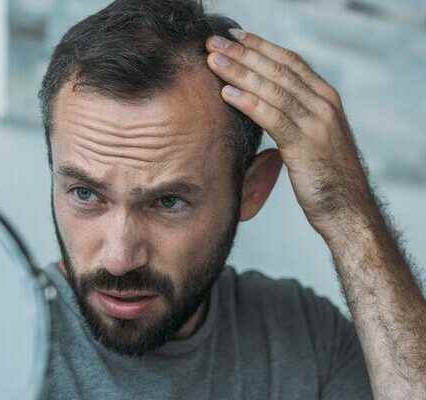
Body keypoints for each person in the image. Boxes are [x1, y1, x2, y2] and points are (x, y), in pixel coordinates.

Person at [36, 1, 426, 399]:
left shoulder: (307, 340)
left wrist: (347, 212)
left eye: (169, 202)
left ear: (251, 189)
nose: (119, 258)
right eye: (85, 194)